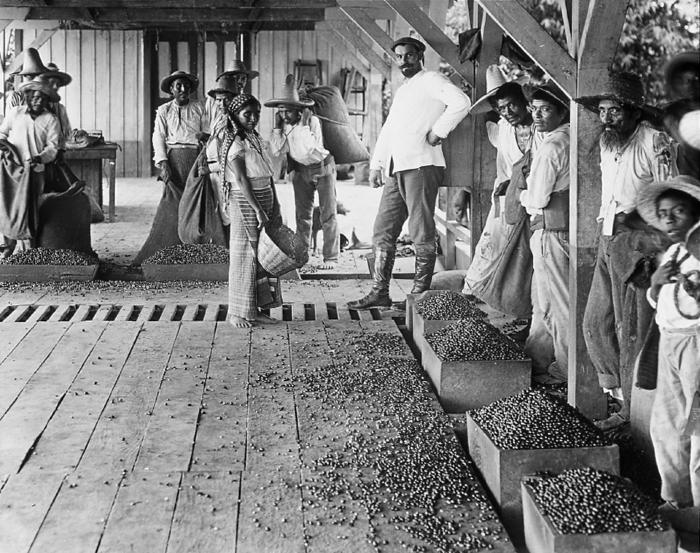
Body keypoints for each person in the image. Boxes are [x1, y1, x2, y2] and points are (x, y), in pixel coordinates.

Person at [577, 71, 677, 429]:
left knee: (630, 329)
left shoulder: (654, 142)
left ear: (635, 112)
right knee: (594, 323)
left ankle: (632, 415)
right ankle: (620, 401)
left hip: (637, 245)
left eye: (615, 111)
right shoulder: (607, 143)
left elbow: (670, 195)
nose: (607, 118)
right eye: (603, 111)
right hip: (607, 238)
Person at [348, 36, 471, 309]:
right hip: (397, 167)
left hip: (421, 165)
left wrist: (438, 132)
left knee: (421, 230)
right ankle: (380, 291)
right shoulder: (403, 89)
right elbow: (389, 130)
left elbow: (461, 102)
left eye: (409, 56)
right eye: (400, 57)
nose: (404, 61)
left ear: (420, 56)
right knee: (382, 230)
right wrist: (377, 164)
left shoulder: (431, 80)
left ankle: (419, 295)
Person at [636, 175, 700, 536]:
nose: (671, 219)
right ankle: (677, 498)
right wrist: (657, 284)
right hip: (671, 342)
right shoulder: (674, 253)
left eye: (680, 211)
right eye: (664, 213)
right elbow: (662, 304)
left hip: (696, 345)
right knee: (666, 423)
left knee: (698, 427)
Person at [462, 65, 535, 318]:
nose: (507, 112)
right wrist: (505, 195)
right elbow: (503, 167)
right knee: (492, 247)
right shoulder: (503, 128)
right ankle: (477, 298)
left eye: (512, 105)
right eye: (500, 108)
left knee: (529, 259)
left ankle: (524, 312)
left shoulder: (541, 127)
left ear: (524, 102)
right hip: (511, 196)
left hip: (538, 200)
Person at [214, 93, 282, 328]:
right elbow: (242, 179)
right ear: (235, 115)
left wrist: (272, 204)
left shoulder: (254, 137)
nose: (253, 118)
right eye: (247, 114)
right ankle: (237, 312)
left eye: (256, 114)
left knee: (261, 256)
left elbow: (266, 170)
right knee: (244, 254)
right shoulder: (234, 142)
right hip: (245, 199)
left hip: (263, 196)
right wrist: (258, 210)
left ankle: (256, 309)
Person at [519, 83, 571, 384]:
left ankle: (565, 369)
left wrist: (521, 195)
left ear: (562, 111)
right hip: (561, 228)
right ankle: (537, 362)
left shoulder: (552, 147)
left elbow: (537, 199)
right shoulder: (568, 138)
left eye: (545, 109)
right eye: (534, 109)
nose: (537, 115)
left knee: (554, 303)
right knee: (545, 300)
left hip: (550, 229)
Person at [134, 70, 208, 264]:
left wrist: (204, 148)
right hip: (174, 159)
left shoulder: (200, 108)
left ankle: (196, 246)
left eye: (186, 86)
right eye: (178, 86)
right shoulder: (164, 110)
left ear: (191, 88)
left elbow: (208, 133)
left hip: (195, 157)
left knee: (197, 200)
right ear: (172, 90)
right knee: (173, 199)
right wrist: (163, 163)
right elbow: (158, 137)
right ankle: (169, 247)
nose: (183, 89)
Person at [267, 74, 339, 270]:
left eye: (288, 112)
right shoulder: (283, 125)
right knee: (303, 215)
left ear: (300, 110)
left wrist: (304, 124)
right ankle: (302, 256)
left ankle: (330, 257)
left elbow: (310, 149)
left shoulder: (312, 122)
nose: (285, 116)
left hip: (322, 168)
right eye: (281, 112)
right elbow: (276, 150)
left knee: (328, 214)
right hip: (300, 170)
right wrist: (277, 128)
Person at [0, 78, 60, 258]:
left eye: (41, 98)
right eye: (34, 97)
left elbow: (53, 147)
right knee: (10, 207)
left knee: (31, 210)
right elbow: (2, 133)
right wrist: (3, 148)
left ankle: (30, 253)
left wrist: (40, 157)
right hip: (12, 171)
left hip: (35, 172)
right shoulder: (15, 113)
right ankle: (7, 249)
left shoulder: (50, 120)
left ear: (46, 100)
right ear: (27, 98)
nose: (37, 101)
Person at [661, 51, 700, 179]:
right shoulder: (672, 112)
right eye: (683, 80)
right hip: (684, 183)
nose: (689, 85)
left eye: (694, 79)